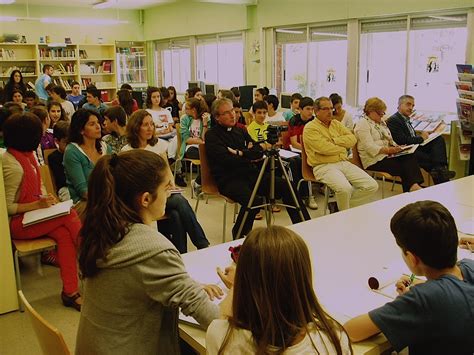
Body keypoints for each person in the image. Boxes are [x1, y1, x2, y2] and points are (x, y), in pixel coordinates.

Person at [75, 150, 220, 354]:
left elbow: (131, 282)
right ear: (145, 199)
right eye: (166, 188)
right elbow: (208, 315)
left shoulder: (98, 231)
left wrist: (186, 285)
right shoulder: (153, 249)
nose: (170, 193)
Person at [344, 201, 474, 354]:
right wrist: (424, 288)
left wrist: (407, 302)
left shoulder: (422, 299)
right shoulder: (468, 267)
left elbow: (351, 331)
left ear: (413, 258)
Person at [207, 226, 352, 354]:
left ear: (244, 282)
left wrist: (236, 286)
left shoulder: (221, 336)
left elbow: (224, 321)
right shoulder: (333, 340)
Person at [2, 112, 82, 311]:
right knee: (70, 215)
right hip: (18, 223)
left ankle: (70, 292)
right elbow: (7, 207)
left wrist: (48, 200)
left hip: (34, 217)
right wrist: (38, 205)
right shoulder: (11, 164)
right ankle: (92, 258)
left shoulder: (27, 157)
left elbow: (39, 190)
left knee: (64, 235)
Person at [205, 98, 310, 239]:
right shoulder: (212, 135)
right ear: (217, 117)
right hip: (229, 179)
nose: (232, 115)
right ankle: (240, 235)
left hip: (252, 174)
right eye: (227, 113)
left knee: (287, 186)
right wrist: (248, 155)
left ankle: (304, 226)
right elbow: (227, 161)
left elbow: (258, 150)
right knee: (253, 200)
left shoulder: (240, 130)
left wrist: (240, 153)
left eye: (233, 111)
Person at [121, 110, 210, 253]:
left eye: (152, 124)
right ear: (136, 127)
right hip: (145, 195)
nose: (150, 128)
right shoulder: (127, 150)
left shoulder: (159, 145)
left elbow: (167, 170)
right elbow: (131, 180)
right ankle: (202, 245)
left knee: (175, 214)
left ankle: (180, 252)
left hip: (162, 191)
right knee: (180, 202)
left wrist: (171, 185)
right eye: (145, 125)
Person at [303, 97, 378, 211]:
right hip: (323, 166)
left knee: (372, 186)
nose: (330, 111)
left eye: (331, 108)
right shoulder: (310, 128)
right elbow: (324, 149)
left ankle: (339, 209)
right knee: (345, 189)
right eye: (326, 109)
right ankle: (344, 215)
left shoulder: (336, 124)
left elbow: (352, 139)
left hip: (343, 162)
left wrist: (334, 141)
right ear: (316, 111)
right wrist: (342, 147)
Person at [354, 97, 423, 192]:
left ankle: (413, 187)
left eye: (383, 113)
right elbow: (369, 147)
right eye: (380, 113)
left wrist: (397, 147)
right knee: (406, 166)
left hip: (386, 156)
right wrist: (389, 150)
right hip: (373, 160)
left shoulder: (379, 122)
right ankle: (413, 188)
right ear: (371, 111)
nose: (382, 116)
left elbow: (389, 139)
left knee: (409, 156)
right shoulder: (362, 124)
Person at [387, 95, 455, 184]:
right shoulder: (394, 120)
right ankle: (441, 174)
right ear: (399, 105)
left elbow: (410, 136)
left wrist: (425, 137)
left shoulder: (406, 119)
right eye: (408, 104)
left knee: (438, 139)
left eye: (413, 106)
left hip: (414, 146)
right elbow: (401, 140)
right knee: (430, 159)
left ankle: (440, 168)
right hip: (405, 150)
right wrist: (421, 138)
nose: (411, 108)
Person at [63, 109, 111, 220]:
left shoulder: (105, 147)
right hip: (84, 203)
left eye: (98, 123)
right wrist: (109, 200)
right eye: (92, 124)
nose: (98, 126)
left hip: (107, 198)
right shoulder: (72, 151)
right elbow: (83, 191)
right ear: (81, 130)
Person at [287, 96, 318, 209]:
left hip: (310, 150)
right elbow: (294, 143)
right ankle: (305, 195)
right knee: (299, 161)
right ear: (300, 109)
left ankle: (306, 193)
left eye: (312, 109)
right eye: (308, 109)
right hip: (294, 151)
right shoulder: (294, 121)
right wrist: (306, 151)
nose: (310, 112)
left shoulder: (314, 121)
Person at [180, 97, 210, 196]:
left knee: (211, 157)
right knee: (208, 158)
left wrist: (205, 124)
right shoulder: (185, 119)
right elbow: (187, 139)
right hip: (190, 148)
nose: (185, 110)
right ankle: (199, 183)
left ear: (193, 110)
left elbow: (206, 138)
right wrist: (200, 141)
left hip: (203, 147)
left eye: (187, 108)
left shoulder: (205, 119)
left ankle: (197, 182)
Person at [47, 121, 71, 201]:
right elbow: (61, 180)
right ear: (57, 141)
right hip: (65, 188)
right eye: (66, 143)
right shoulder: (53, 157)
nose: (69, 146)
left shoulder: (75, 152)